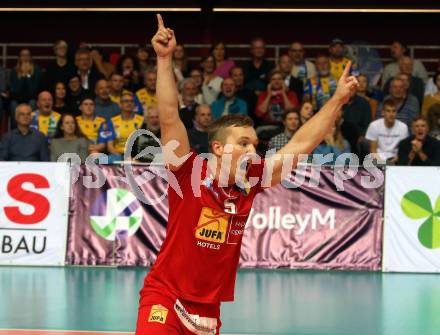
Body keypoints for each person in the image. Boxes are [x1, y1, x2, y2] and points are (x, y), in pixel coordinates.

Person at [135, 15, 358, 335]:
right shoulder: (187, 170)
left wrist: (337, 100)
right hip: (166, 297)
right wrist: (164, 58)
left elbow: (301, 143)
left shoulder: (250, 179)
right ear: (218, 148)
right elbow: (170, 115)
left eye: (254, 144)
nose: (253, 151)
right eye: (243, 144)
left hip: (208, 310)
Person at [365, 99, 409, 164]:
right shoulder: (374, 125)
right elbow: (373, 150)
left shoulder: (403, 127)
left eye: (394, 111)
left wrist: (393, 161)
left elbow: (403, 150)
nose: (391, 114)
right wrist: (382, 163)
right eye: (388, 111)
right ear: (383, 112)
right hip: (377, 158)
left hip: (395, 159)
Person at [107, 92, 144, 162]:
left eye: (131, 101)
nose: (129, 103)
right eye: (126, 101)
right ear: (120, 105)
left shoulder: (141, 120)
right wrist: (122, 158)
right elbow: (110, 147)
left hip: (136, 156)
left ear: (134, 104)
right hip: (117, 155)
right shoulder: (112, 121)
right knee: (98, 160)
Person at [10, 48, 41, 127]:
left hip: (31, 98)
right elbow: (15, 90)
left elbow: (33, 90)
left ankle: (31, 129)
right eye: (23, 55)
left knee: (32, 103)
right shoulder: (14, 71)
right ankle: (15, 131)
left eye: (27, 55)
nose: (25, 57)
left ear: (30, 57)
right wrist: (22, 76)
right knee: (13, 104)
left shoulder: (36, 69)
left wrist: (27, 75)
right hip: (17, 99)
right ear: (19, 58)